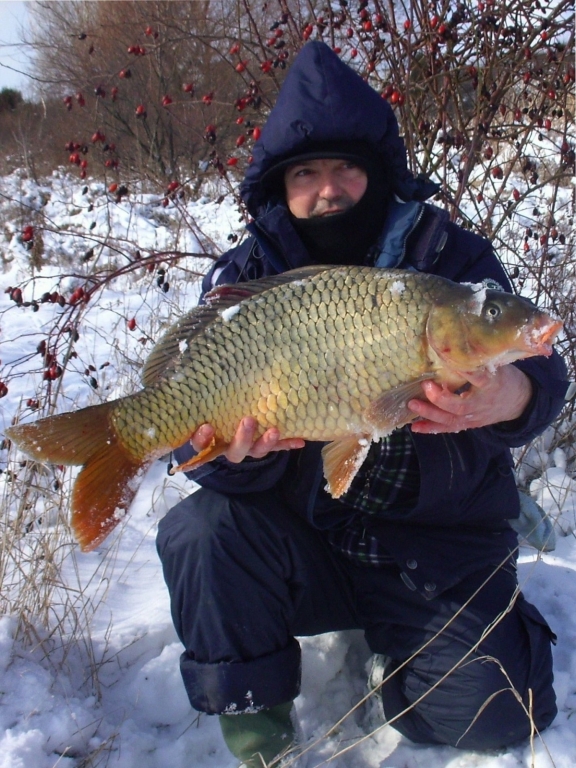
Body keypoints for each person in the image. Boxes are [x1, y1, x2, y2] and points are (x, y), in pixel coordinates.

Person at [156, 42, 568, 767]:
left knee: (500, 713)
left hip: (428, 550)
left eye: (347, 166)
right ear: (278, 188)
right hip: (300, 544)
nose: (329, 189)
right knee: (203, 529)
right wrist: (236, 457)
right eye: (306, 173)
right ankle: (258, 727)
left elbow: (547, 378)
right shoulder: (245, 277)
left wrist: (513, 393)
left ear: (377, 171)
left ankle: (410, 662)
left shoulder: (450, 263)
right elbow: (193, 449)